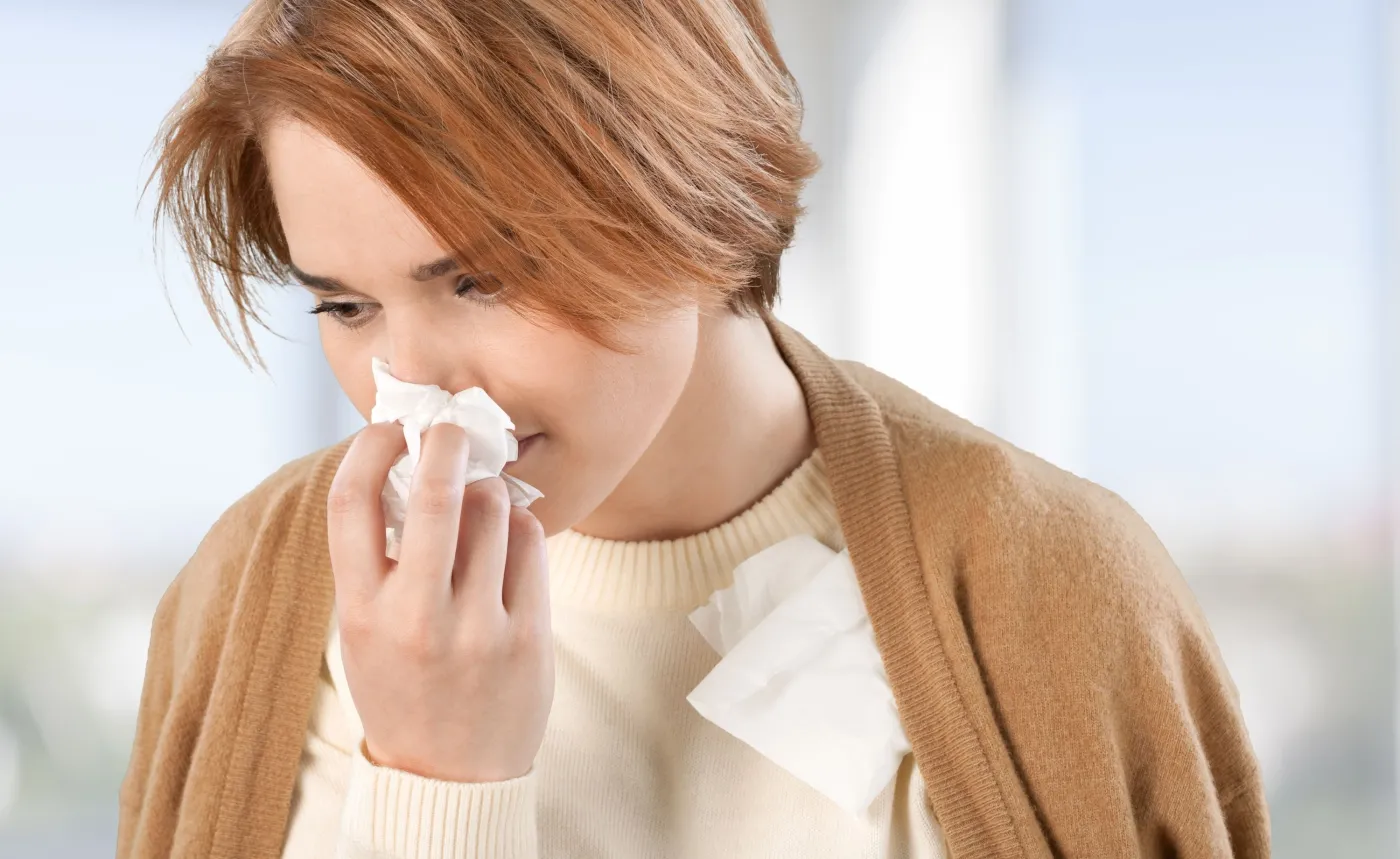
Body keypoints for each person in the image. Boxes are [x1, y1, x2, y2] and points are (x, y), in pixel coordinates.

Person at [116, 1, 1270, 857]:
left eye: (482, 280)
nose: (406, 384)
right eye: (345, 306)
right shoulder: (253, 595)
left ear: (689, 192)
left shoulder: (1049, 584)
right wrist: (439, 782)